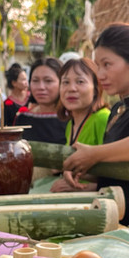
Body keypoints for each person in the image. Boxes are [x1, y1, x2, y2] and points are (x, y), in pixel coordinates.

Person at [63, 23, 129, 240]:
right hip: (118, 218)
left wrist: (94, 154)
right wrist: (82, 168)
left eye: (107, 64)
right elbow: (125, 167)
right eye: (98, 66)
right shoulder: (118, 109)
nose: (100, 74)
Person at [50, 56, 109, 192]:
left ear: (96, 88)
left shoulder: (103, 118)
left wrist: (84, 189)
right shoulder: (70, 124)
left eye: (80, 82)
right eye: (65, 82)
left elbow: (115, 173)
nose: (71, 88)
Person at [14, 57, 67, 144]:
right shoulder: (22, 119)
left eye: (48, 81)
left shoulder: (71, 119)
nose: (41, 87)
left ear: (62, 83)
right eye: (35, 80)